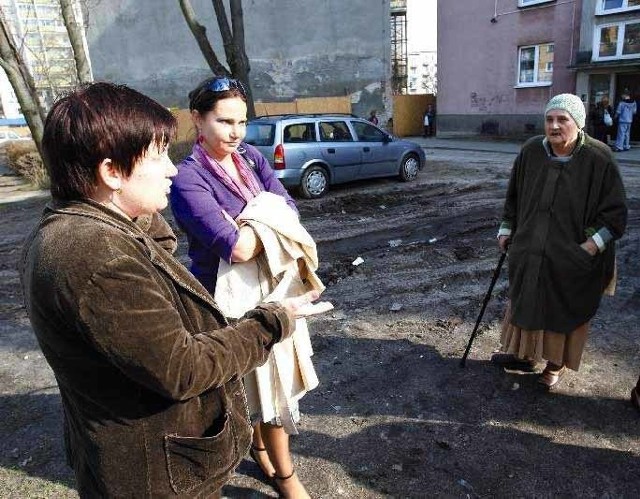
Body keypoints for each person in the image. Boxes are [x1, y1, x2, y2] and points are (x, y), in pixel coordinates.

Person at [19, 82, 317, 498]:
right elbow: (185, 368)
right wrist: (273, 321)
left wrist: (143, 222)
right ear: (111, 172)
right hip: (155, 476)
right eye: (158, 154)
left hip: (143, 458)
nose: (172, 169)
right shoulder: (100, 258)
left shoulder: (87, 229)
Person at [170, 77, 323, 499]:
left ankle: (273, 459)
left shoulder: (251, 158)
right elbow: (235, 248)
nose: (236, 132)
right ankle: (282, 473)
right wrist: (264, 219)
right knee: (251, 382)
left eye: (242, 121)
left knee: (274, 381)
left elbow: (289, 208)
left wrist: (254, 220)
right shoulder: (188, 179)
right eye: (224, 121)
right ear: (198, 120)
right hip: (224, 301)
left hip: (273, 289)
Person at [492, 93, 627, 390]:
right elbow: (513, 196)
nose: (554, 126)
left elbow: (616, 214)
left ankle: (556, 365)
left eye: (562, 120)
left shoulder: (599, 157)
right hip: (531, 247)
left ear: (577, 123)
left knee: (563, 308)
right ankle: (524, 355)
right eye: (549, 119)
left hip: (573, 253)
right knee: (525, 299)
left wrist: (589, 248)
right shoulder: (531, 151)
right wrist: (506, 228)